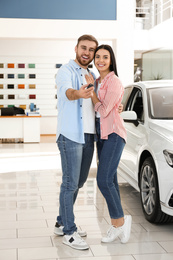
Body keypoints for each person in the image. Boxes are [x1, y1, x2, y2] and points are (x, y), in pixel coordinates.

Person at [54, 34, 98, 250]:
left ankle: (61, 221)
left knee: (79, 183)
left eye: (91, 49)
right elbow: (66, 92)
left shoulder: (92, 73)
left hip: (89, 136)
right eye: (84, 48)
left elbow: (96, 103)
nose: (87, 52)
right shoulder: (66, 71)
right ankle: (69, 232)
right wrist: (78, 93)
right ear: (76, 48)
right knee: (70, 183)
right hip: (71, 134)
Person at [85, 44, 132, 244]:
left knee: (103, 180)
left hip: (113, 133)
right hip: (101, 135)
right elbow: (102, 109)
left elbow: (103, 111)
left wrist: (92, 92)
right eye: (97, 57)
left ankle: (120, 222)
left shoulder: (114, 82)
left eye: (105, 57)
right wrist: (93, 89)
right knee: (110, 180)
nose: (100, 60)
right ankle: (118, 223)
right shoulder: (96, 81)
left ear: (111, 60)